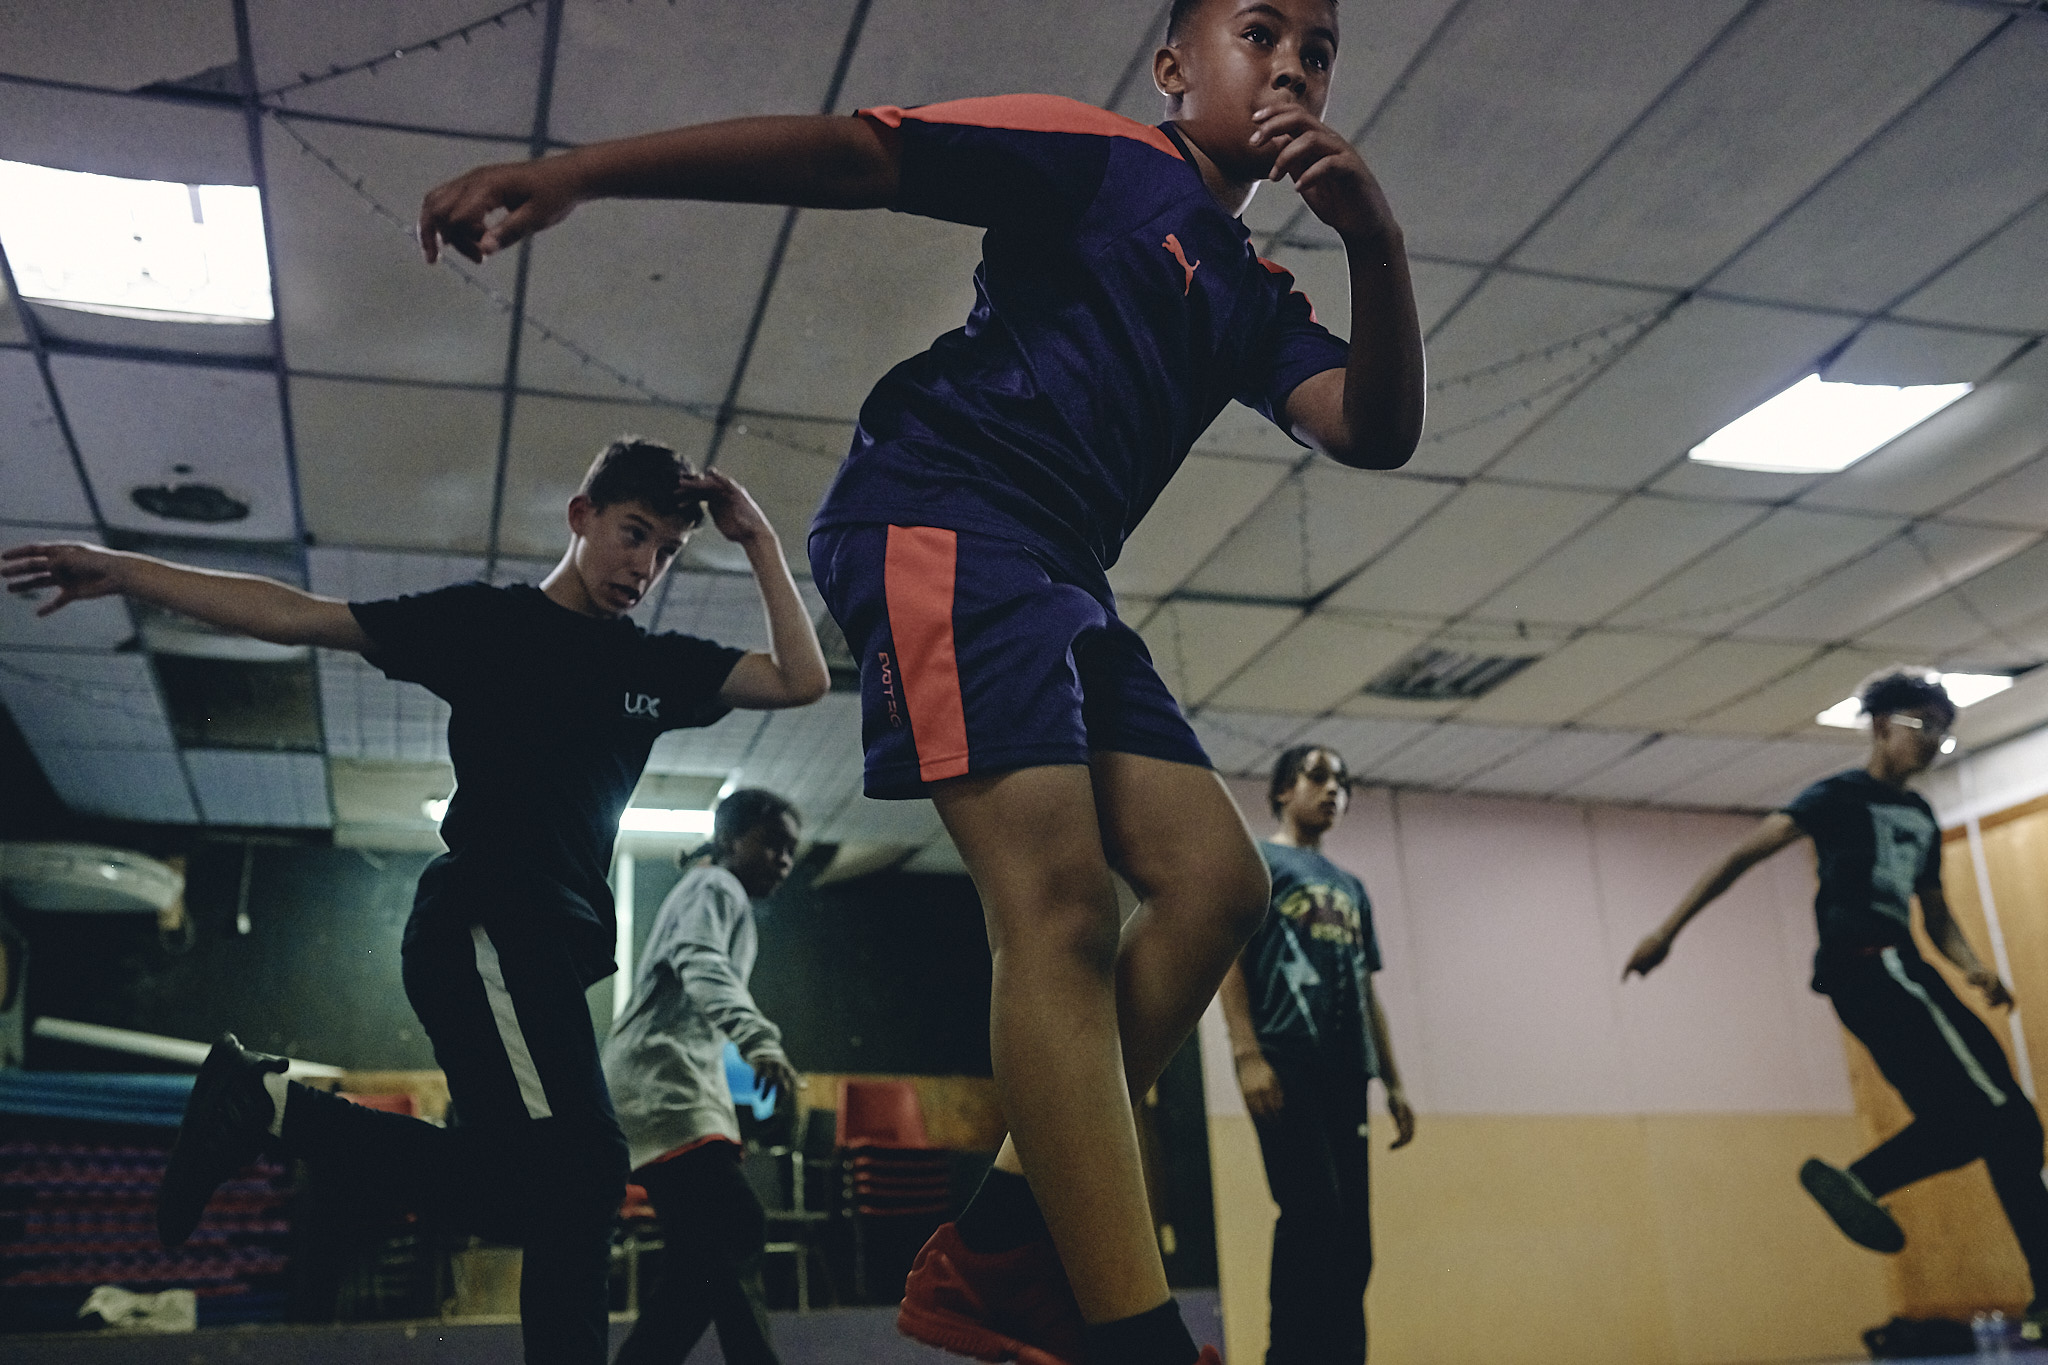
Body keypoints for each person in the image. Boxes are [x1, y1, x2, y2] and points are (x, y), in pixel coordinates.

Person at [416, 0, 1423, 1358]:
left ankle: (1005, 1242)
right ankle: (1125, 1331)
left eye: (1319, 45)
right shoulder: (1102, 159)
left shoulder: (1251, 289)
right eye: (1261, 29)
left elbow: (1373, 426)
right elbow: (856, 154)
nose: (1296, 58)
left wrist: (1376, 239)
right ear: (1176, 67)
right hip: (940, 511)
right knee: (1058, 908)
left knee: (1218, 882)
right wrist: (582, 172)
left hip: (1065, 570)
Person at [0, 438, 829, 1365]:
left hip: (545, 953)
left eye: (667, 552)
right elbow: (295, 615)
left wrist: (754, 536)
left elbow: (802, 678)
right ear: (580, 516)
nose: (643, 566)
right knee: (588, 1169)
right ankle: (266, 1107)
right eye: (632, 534)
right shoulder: (487, 624)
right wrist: (120, 569)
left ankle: (266, 1106)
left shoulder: (654, 668)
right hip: (486, 920)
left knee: (542, 1192)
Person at [1625, 669, 2048, 1338]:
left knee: (1975, 1125)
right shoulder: (1835, 797)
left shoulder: (1920, 817)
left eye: (1945, 731)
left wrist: (1973, 968)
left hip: (1895, 976)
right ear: (1881, 726)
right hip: (1878, 968)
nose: (1936, 742)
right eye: (1922, 725)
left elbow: (1934, 913)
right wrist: (1666, 931)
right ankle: (2037, 1288)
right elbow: (1741, 857)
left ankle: (1867, 1184)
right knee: (2010, 1116)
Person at [1218, 745, 1411, 1364]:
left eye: (1343, 783)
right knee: (1313, 1218)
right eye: (1319, 777)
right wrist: (1247, 1055)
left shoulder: (1352, 888)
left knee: (1355, 1245)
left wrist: (1395, 1083)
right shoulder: (1258, 863)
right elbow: (1230, 960)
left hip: (1347, 1073)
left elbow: (1365, 988)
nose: (1334, 791)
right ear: (1281, 790)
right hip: (1285, 1064)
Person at [604, 788, 804, 1365]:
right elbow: (701, 959)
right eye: (772, 845)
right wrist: (760, 1038)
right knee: (736, 1225)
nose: (784, 862)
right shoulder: (715, 886)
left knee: (700, 1258)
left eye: (791, 852)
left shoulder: (711, 891)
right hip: (659, 1088)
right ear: (730, 840)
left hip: (664, 1086)